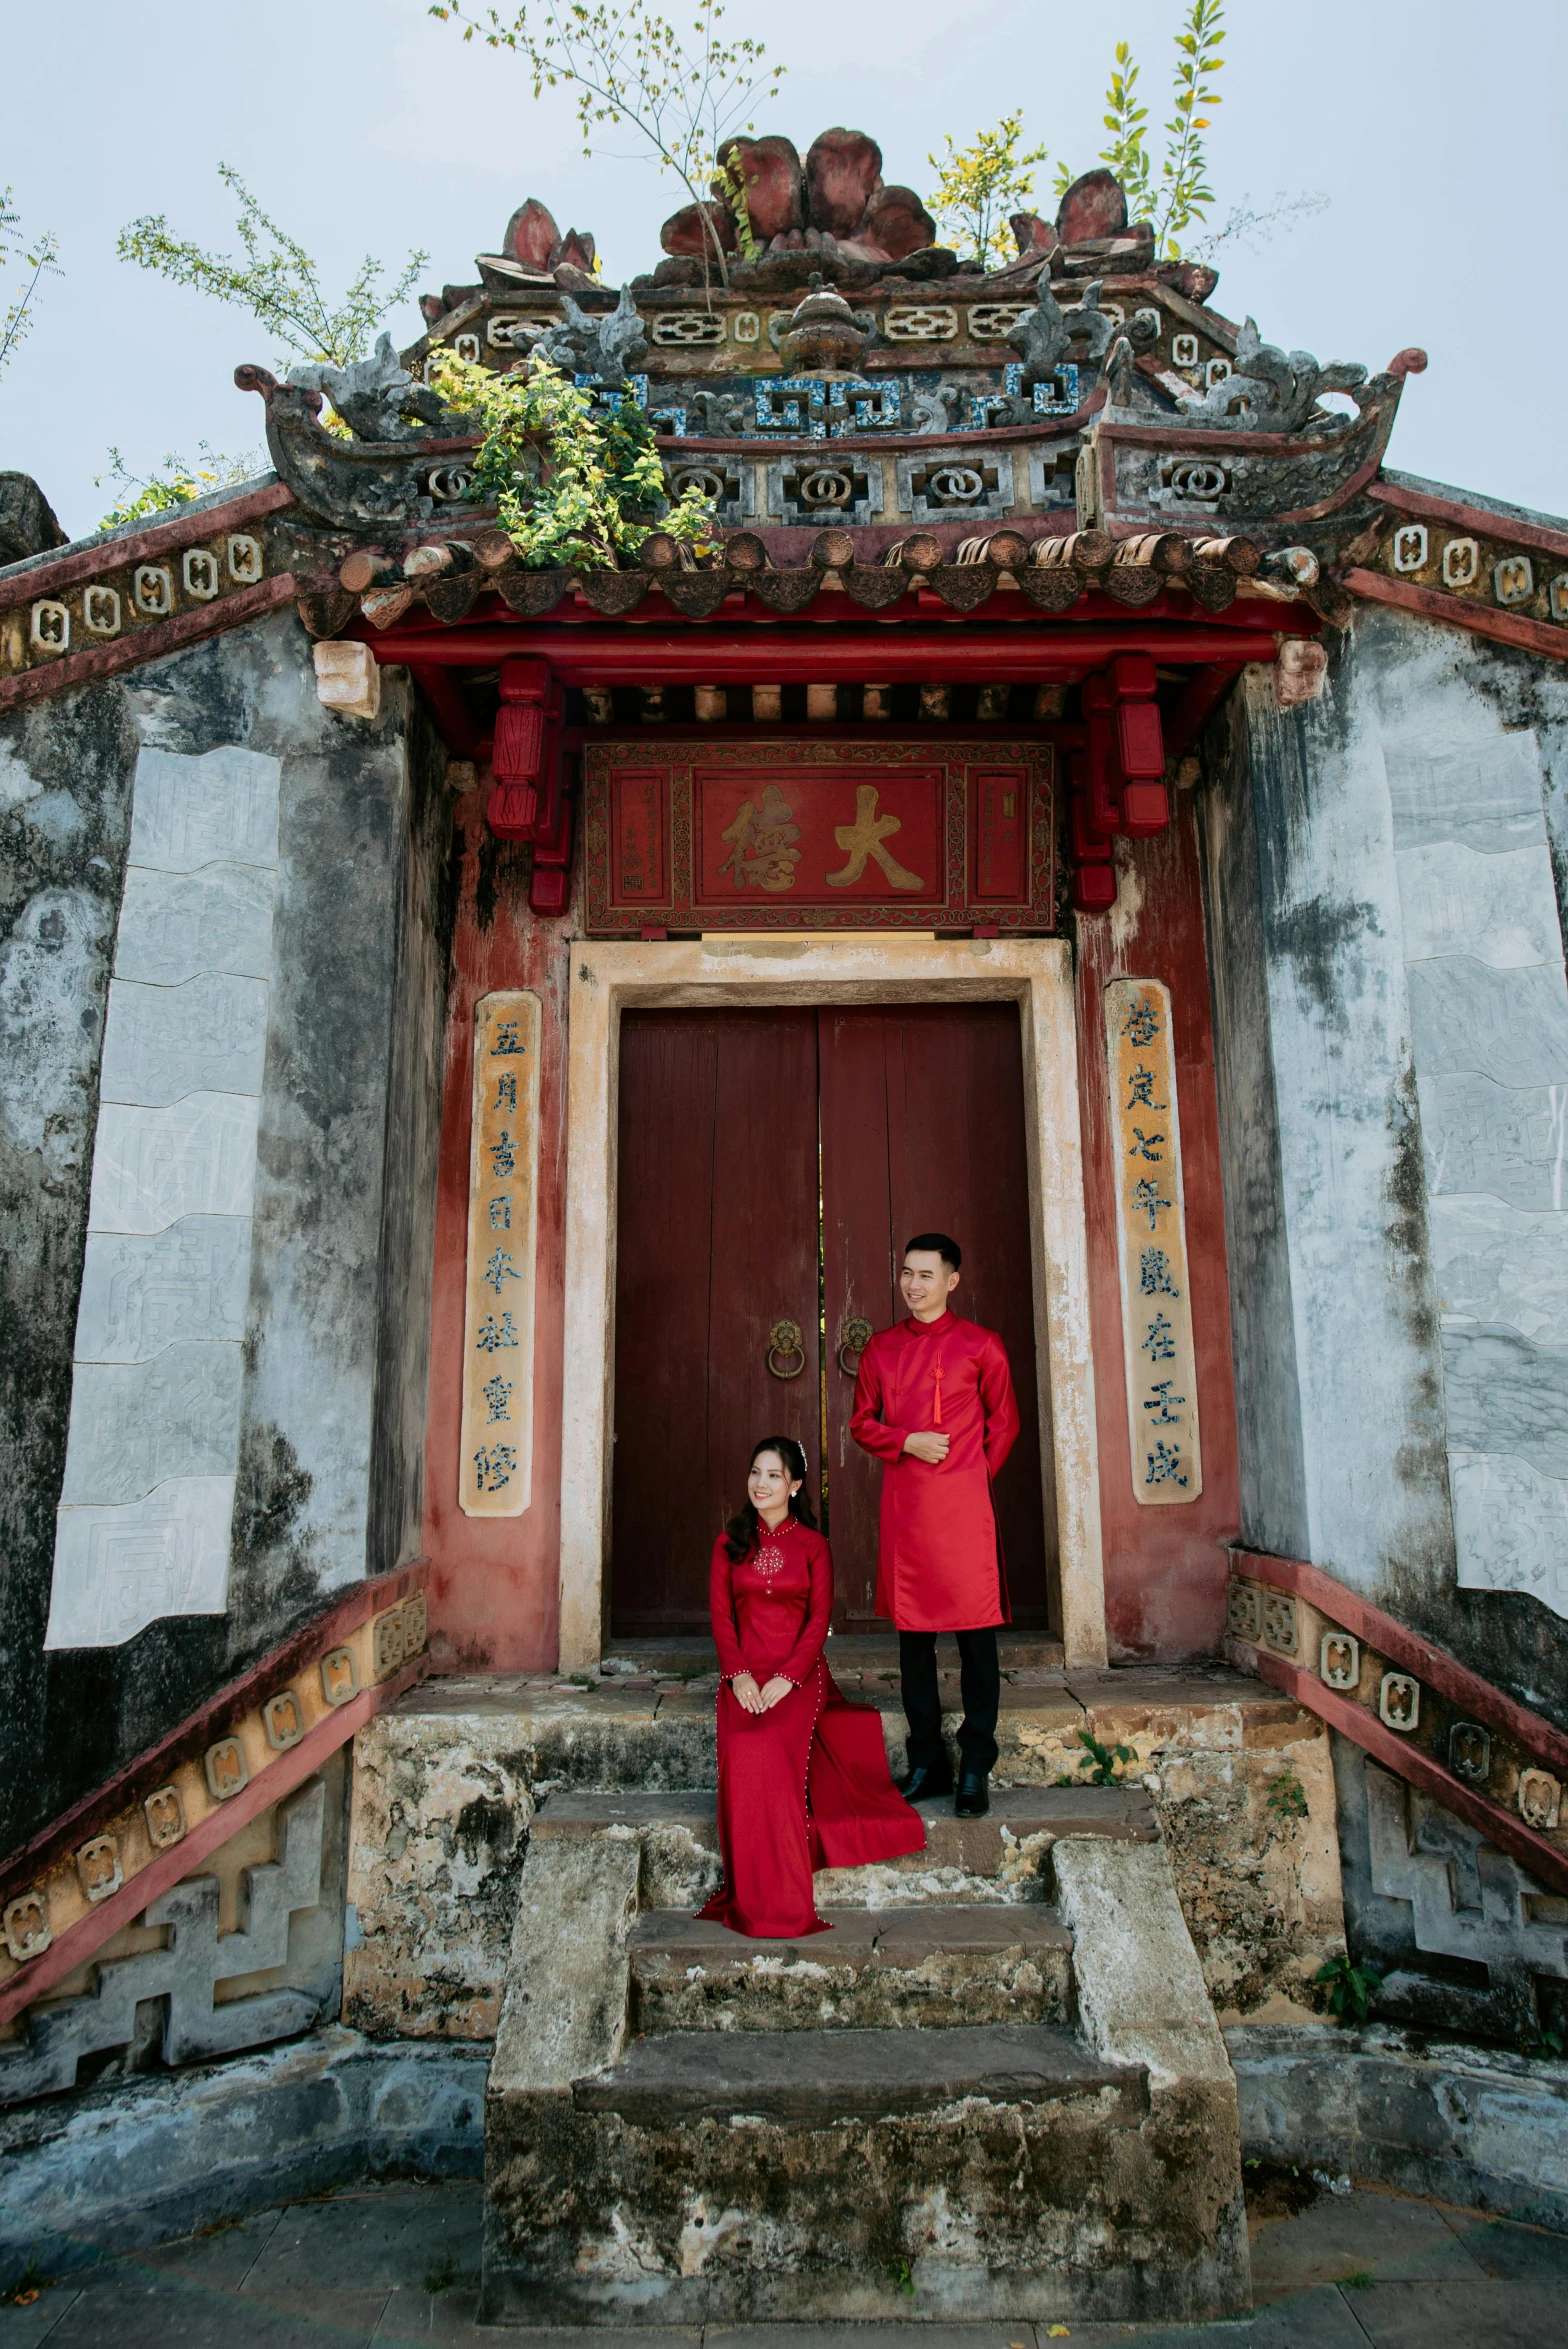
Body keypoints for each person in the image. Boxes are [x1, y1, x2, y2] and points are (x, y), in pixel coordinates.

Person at [699, 1434, 926, 1938]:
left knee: (769, 1748)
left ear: (795, 1484)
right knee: (744, 1745)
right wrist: (736, 1677)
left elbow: (818, 1619)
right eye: (755, 1473)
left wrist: (787, 1678)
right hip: (742, 1676)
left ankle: (778, 1903)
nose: (761, 1484)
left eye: (773, 1475)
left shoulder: (812, 1546)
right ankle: (754, 1895)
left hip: (798, 1675)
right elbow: (720, 1618)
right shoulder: (728, 1542)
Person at [850, 1232, 1020, 1818]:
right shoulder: (881, 1349)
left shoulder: (982, 1346)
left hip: (965, 1513)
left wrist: (972, 1476)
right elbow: (861, 1424)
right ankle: (926, 1761)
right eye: (906, 1273)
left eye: (926, 1275)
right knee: (914, 1646)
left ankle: (976, 1766)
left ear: (952, 1280)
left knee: (977, 1644)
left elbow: (1006, 1423)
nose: (913, 1285)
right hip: (909, 1511)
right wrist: (906, 1442)